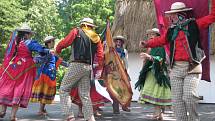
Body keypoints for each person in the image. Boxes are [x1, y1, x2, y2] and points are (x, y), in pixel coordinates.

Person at [139, 1, 215, 121]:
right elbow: (161, 40)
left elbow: (212, 17)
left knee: (189, 97)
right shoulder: (171, 30)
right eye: (171, 14)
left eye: (173, 14)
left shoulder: (194, 24)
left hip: (192, 66)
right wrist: (147, 43)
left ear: (181, 14)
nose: (171, 17)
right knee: (177, 102)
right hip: (176, 69)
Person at [55, 17, 104, 121]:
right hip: (88, 67)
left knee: (64, 89)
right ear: (91, 26)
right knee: (85, 94)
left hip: (76, 65)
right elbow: (100, 55)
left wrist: (57, 50)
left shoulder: (76, 31)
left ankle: (69, 116)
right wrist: (99, 69)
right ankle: (90, 118)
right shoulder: (96, 37)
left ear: (83, 25)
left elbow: (65, 42)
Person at [0, 23, 50, 121]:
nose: (30, 36)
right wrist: (47, 51)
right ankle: (12, 116)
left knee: (8, 88)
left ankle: (2, 111)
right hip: (23, 69)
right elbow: (41, 50)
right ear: (27, 34)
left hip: (11, 67)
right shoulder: (29, 43)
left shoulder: (14, 42)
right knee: (19, 89)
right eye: (30, 34)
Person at [135, 28, 171, 120]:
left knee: (157, 93)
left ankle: (157, 113)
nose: (150, 36)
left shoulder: (160, 46)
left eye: (153, 34)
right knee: (156, 94)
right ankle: (159, 113)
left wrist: (150, 57)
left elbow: (161, 60)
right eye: (149, 34)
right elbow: (146, 61)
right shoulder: (150, 48)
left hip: (158, 74)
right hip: (150, 72)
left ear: (158, 36)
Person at [31, 36, 68, 116]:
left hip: (47, 74)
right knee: (45, 92)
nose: (54, 43)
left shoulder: (47, 51)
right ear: (49, 42)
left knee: (44, 92)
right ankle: (40, 110)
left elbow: (59, 61)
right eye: (53, 41)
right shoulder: (46, 51)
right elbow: (37, 59)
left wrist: (70, 65)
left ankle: (42, 109)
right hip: (47, 75)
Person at [112, 35, 130, 114]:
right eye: (117, 41)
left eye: (120, 41)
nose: (118, 43)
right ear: (115, 42)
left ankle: (124, 106)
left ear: (122, 43)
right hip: (114, 72)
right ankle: (116, 108)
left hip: (122, 71)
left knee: (125, 89)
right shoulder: (112, 50)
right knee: (115, 90)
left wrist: (127, 72)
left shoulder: (124, 51)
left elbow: (126, 62)